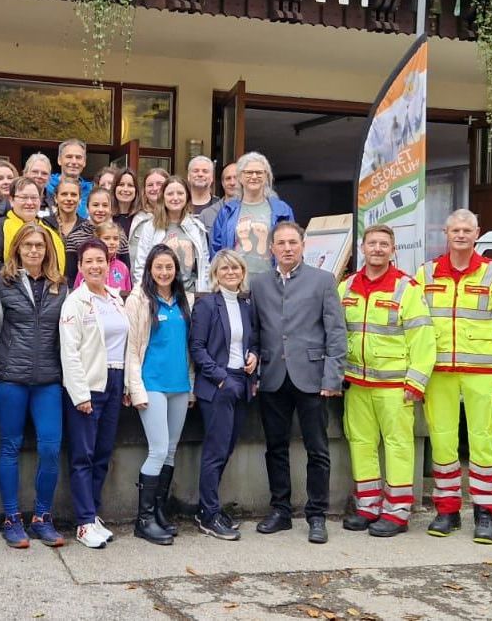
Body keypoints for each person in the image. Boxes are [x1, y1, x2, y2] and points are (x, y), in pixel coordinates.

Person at [415, 209, 492, 544]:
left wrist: (487, 351)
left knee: (483, 441)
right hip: (438, 371)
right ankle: (447, 510)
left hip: (481, 371)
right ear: (446, 232)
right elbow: (418, 322)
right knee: (442, 439)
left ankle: (485, 512)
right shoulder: (426, 273)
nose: (460, 235)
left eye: (467, 230)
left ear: (477, 233)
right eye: (455, 229)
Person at [250, 221, 346, 544]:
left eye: (293, 242)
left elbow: (335, 332)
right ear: (272, 248)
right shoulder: (260, 284)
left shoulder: (323, 281)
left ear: (303, 245)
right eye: (281, 243)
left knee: (317, 449)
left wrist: (333, 376)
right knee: (275, 447)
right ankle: (280, 510)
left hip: (313, 378)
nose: (287, 248)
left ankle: (316, 514)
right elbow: (255, 331)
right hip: (273, 376)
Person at [339, 225, 436, 538]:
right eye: (372, 244)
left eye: (384, 244)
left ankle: (397, 512)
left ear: (393, 250)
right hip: (356, 383)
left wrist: (416, 383)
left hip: (396, 386)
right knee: (361, 443)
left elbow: (423, 338)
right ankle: (368, 507)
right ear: (363, 248)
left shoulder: (406, 289)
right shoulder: (347, 286)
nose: (377, 249)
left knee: (398, 446)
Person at [0, 223, 68, 549]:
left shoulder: (60, 286)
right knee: (10, 446)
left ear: (48, 250)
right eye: (28, 245)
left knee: (50, 447)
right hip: (11, 378)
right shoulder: (2, 283)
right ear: (18, 249)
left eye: (40, 245)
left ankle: (42, 517)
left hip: (49, 379)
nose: (34, 250)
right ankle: (11, 517)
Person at [60, 238, 129, 549]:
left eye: (100, 260)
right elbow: (70, 352)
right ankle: (84, 522)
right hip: (89, 384)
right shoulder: (75, 302)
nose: (95, 266)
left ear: (108, 262)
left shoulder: (116, 298)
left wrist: (127, 385)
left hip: (115, 380)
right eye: (88, 261)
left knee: (102, 454)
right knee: (83, 455)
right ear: (80, 266)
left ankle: (93, 512)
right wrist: (80, 393)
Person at [125, 245, 193, 546]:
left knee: (171, 449)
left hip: (179, 385)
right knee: (157, 449)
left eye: (169, 267)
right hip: (151, 384)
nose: (164, 272)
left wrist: (190, 386)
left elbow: (189, 348)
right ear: (149, 269)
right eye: (159, 267)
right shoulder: (139, 299)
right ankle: (144, 521)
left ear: (176, 270)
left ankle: (159, 513)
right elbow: (131, 348)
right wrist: (134, 388)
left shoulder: (183, 300)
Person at [189, 250, 258, 541]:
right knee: (216, 451)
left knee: (227, 447)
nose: (230, 273)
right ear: (215, 274)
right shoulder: (206, 305)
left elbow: (253, 339)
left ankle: (210, 506)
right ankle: (208, 514)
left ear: (243, 273)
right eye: (224, 269)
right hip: (218, 385)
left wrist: (254, 355)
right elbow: (197, 347)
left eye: (236, 268)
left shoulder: (245, 304)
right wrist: (220, 379)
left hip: (242, 382)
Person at [210, 152, 295, 279]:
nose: (254, 176)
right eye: (248, 172)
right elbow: (216, 248)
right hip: (235, 282)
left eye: (259, 172)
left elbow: (293, 246)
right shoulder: (227, 210)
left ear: (266, 176)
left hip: (272, 282)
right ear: (240, 177)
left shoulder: (282, 210)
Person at [133, 176, 210, 292]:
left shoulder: (196, 227)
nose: (175, 198)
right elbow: (141, 264)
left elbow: (204, 265)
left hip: (190, 294)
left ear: (187, 196)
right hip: (158, 295)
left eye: (180, 193)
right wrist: (144, 294)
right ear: (163, 197)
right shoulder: (150, 226)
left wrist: (204, 293)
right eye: (170, 194)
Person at [0, 178, 65, 278]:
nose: (30, 203)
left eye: (34, 198)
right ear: (11, 200)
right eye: (24, 198)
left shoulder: (49, 229)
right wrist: (20, 281)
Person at [64, 188, 131, 286]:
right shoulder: (75, 236)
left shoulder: (119, 235)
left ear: (111, 209)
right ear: (87, 208)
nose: (100, 209)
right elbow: (70, 277)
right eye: (95, 205)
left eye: (105, 205)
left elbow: (126, 272)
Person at [129, 168, 170, 269]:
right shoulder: (138, 219)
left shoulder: (177, 216)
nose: (155, 188)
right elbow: (134, 258)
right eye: (150, 185)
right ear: (144, 190)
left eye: (159, 184)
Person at [74, 222, 131, 292]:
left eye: (115, 239)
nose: (112, 242)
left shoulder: (123, 267)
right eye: (107, 238)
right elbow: (77, 291)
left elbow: (128, 293)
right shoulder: (88, 266)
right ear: (97, 240)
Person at [46, 139, 93, 218]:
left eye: (78, 157)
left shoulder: (91, 191)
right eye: (69, 157)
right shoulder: (46, 186)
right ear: (59, 160)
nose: (74, 161)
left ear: (84, 162)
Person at [199, 163, 239, 236]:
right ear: (223, 183)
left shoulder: (255, 210)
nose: (232, 183)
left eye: (236, 178)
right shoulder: (207, 214)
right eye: (228, 178)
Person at [23, 153, 56, 223]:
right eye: (35, 172)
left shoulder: (55, 200)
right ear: (25, 173)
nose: (39, 176)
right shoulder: (16, 198)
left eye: (44, 173)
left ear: (49, 177)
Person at [112, 168, 141, 237]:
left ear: (136, 190)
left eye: (130, 185)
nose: (125, 189)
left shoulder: (144, 219)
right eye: (121, 184)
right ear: (114, 188)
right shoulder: (105, 216)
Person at [54, 176, 85, 240]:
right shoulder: (46, 224)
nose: (69, 198)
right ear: (56, 198)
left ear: (80, 199)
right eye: (64, 194)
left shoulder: (87, 227)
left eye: (73, 195)